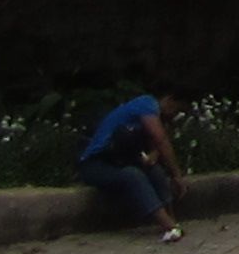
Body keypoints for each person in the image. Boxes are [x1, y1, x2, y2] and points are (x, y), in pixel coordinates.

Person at [79, 89, 189, 243]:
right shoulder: (147, 105)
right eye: (174, 109)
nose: (172, 114)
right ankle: (168, 226)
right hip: (97, 164)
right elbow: (160, 139)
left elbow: (154, 145)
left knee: (155, 171)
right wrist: (177, 174)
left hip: (120, 160)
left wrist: (153, 156)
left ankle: (172, 219)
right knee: (133, 176)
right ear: (168, 99)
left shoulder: (152, 116)